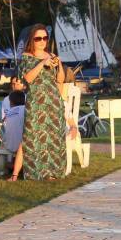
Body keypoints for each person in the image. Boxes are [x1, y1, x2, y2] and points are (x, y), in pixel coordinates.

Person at [19, 23, 74, 180]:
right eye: (38, 38)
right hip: (36, 102)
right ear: (32, 40)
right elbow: (28, 78)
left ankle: (54, 172)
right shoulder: (26, 57)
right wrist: (42, 63)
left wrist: (59, 65)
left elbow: (60, 80)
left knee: (53, 138)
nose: (42, 41)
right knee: (34, 137)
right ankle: (36, 173)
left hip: (53, 101)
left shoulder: (51, 55)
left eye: (45, 38)